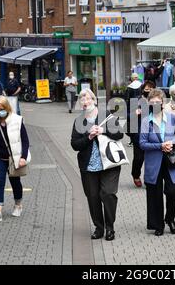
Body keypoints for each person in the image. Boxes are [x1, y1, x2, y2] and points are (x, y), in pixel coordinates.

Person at [70, 89, 124, 241]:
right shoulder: (79, 121)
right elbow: (75, 144)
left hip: (109, 163)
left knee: (108, 194)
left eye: (87, 99)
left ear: (94, 100)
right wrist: (89, 136)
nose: (85, 102)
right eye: (82, 100)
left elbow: (120, 134)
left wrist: (103, 130)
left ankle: (110, 227)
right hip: (89, 166)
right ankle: (99, 228)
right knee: (93, 197)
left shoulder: (106, 115)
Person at [139, 89, 175, 236]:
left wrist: (171, 142)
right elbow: (142, 143)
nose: (156, 104)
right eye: (152, 102)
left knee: (172, 192)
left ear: (163, 102)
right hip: (154, 161)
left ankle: (170, 219)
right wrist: (160, 146)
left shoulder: (172, 118)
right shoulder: (146, 121)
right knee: (155, 194)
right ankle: (158, 224)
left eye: (158, 102)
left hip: (171, 160)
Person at [0, 96, 30, 223]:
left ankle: (18, 204)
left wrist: (23, 157)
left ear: (7, 108)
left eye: (1, 109)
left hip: (13, 158)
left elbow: (25, 141)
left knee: (15, 182)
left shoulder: (17, 120)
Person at [128, 80, 155, 188]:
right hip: (139, 133)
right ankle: (136, 175)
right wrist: (134, 114)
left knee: (152, 158)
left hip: (153, 133)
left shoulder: (156, 100)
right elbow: (128, 115)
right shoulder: (137, 101)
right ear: (143, 89)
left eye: (151, 89)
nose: (148, 90)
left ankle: (150, 178)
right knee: (139, 158)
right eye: (146, 89)